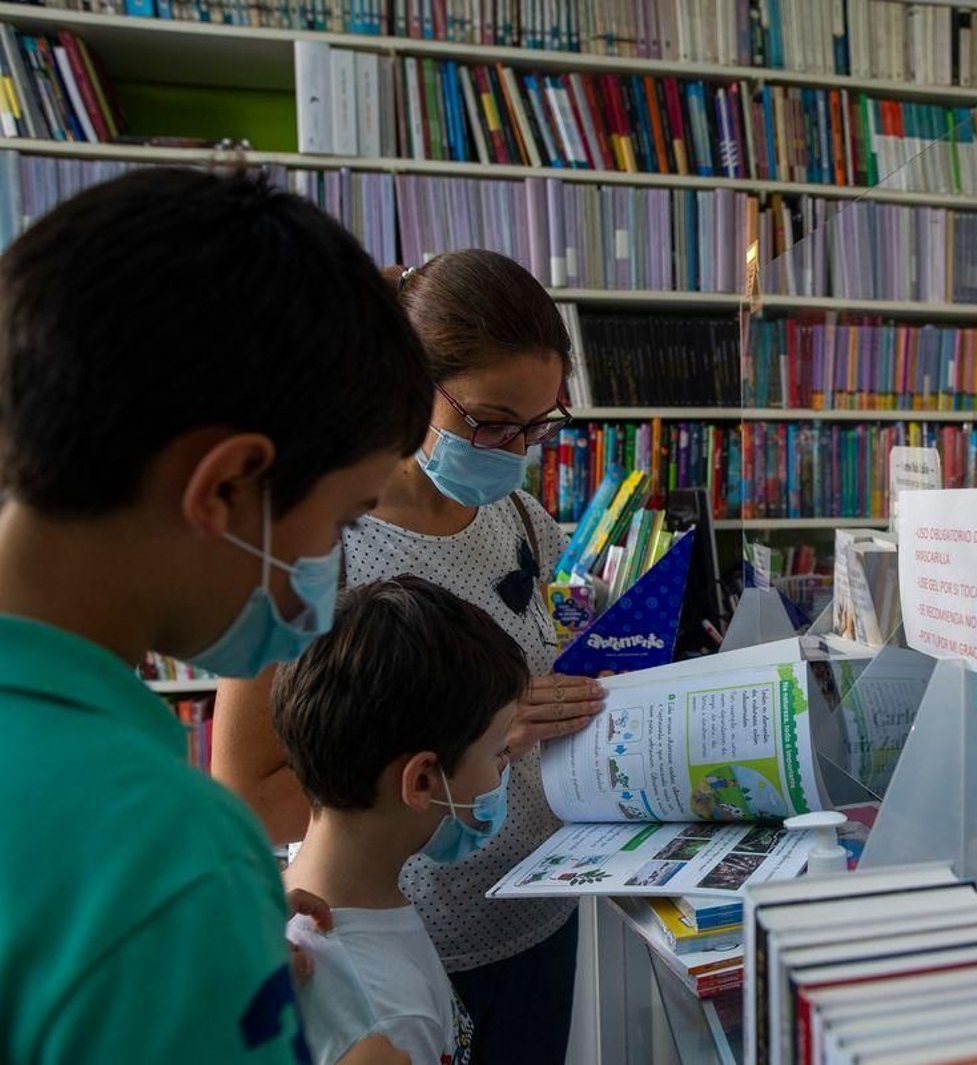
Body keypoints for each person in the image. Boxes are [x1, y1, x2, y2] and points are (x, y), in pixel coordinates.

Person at [0, 168, 434, 1061]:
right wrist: (193, 916)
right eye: (344, 518)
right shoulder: (169, 858)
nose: (330, 562)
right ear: (228, 484)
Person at [214, 249, 605, 1061]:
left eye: (538, 425)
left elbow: (547, 682)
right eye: (491, 421)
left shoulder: (524, 520)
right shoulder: (312, 540)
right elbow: (247, 791)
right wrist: (481, 737)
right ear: (408, 384)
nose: (514, 448)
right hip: (386, 945)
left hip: (537, 915)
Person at [277, 575, 530, 1065]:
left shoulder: (286, 911)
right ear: (420, 782)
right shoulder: (388, 1021)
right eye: (499, 751)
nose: (504, 768)